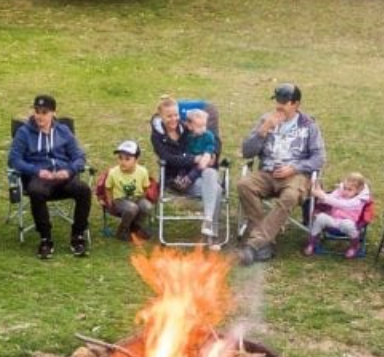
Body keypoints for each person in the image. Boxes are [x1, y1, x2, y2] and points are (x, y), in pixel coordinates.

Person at [237, 83, 326, 265]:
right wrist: (263, 130)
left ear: (296, 104)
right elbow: (247, 152)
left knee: (290, 196)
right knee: (244, 185)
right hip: (267, 172)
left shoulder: (309, 125)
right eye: (277, 101)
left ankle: (254, 244)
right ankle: (265, 242)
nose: (279, 105)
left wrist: (294, 168)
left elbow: (319, 158)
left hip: (295, 175)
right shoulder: (266, 120)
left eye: (284, 102)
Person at [8, 94, 91, 259]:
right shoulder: (24, 133)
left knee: (84, 190)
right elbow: (14, 159)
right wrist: (36, 171)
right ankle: (45, 238)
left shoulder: (63, 131)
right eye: (37, 111)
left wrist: (68, 171)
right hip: (40, 177)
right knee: (36, 191)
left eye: (44, 112)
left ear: (53, 112)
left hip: (62, 176)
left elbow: (79, 157)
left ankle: (78, 235)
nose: (40, 116)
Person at [149, 97, 223, 244]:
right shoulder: (157, 137)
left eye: (176, 115)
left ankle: (208, 223)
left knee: (211, 174)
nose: (173, 119)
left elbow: (213, 139)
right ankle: (212, 236)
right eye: (169, 116)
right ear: (161, 116)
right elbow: (169, 158)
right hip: (178, 179)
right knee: (217, 190)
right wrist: (194, 159)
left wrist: (210, 154)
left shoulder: (185, 127)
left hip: (197, 174)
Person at [305, 172, 371, 258]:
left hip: (348, 222)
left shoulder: (359, 200)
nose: (345, 191)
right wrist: (321, 194)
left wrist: (324, 197)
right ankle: (312, 242)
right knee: (320, 218)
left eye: (350, 189)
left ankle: (354, 246)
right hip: (333, 219)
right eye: (345, 188)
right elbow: (331, 197)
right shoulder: (340, 191)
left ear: (358, 191)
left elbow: (344, 204)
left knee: (347, 225)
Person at [101, 140, 156, 243]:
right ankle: (122, 230)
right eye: (120, 158)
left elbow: (145, 187)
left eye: (127, 159)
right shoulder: (113, 172)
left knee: (147, 206)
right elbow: (108, 188)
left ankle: (135, 227)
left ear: (136, 160)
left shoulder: (142, 171)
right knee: (132, 208)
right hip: (120, 200)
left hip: (137, 197)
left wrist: (141, 199)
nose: (123, 161)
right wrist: (109, 202)